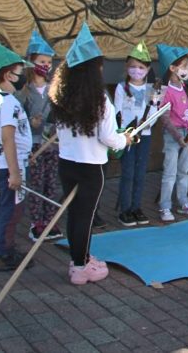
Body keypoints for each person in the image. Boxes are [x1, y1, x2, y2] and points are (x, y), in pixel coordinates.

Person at [49, 23, 134, 285]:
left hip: (67, 163)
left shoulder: (60, 96)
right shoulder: (99, 100)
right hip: (90, 167)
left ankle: (79, 258)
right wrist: (126, 139)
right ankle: (81, 265)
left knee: (75, 214)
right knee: (84, 216)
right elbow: (108, 138)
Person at [0, 40, 33, 271]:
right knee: (11, 210)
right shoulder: (7, 102)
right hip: (8, 165)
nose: (23, 76)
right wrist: (15, 172)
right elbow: (7, 138)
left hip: (7, 161)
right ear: (8, 74)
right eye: (20, 72)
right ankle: (5, 253)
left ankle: (5, 247)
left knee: (7, 208)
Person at [16, 31, 61, 242]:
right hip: (33, 145)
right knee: (36, 184)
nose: (46, 65)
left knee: (51, 183)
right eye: (42, 61)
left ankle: (51, 220)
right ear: (31, 62)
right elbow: (17, 119)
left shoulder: (55, 89)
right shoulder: (24, 92)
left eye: (49, 61)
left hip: (52, 144)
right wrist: (29, 122)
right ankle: (37, 223)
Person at [115, 41, 157, 227]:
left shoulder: (151, 90)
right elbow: (117, 112)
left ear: (147, 69)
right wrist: (124, 131)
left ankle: (136, 207)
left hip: (145, 135)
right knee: (128, 173)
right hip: (127, 136)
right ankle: (125, 209)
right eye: (132, 66)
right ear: (126, 67)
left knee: (140, 173)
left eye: (140, 67)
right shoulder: (120, 88)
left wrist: (147, 123)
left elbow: (155, 111)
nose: (136, 70)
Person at [156, 43, 188, 222]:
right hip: (174, 136)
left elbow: (187, 112)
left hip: (187, 134)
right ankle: (165, 206)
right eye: (184, 66)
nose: (187, 70)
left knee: (183, 171)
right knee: (170, 172)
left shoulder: (183, 88)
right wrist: (178, 136)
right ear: (172, 68)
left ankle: (184, 202)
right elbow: (164, 117)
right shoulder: (166, 90)